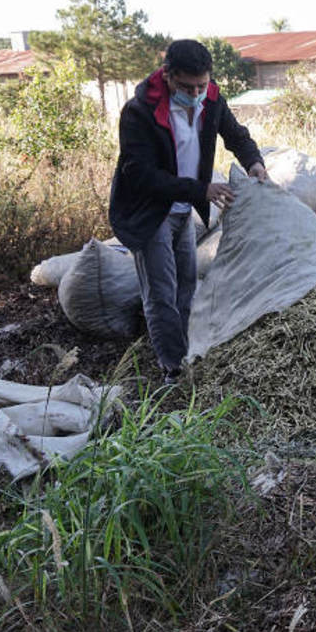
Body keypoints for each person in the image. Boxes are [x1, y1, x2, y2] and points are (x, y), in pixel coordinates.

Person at [110, 39, 268, 385]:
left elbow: (236, 135)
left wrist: (254, 162)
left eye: (202, 85)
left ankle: (188, 352)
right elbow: (140, 174)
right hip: (150, 211)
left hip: (183, 208)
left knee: (186, 286)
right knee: (161, 293)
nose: (196, 93)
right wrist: (201, 190)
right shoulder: (140, 112)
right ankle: (173, 370)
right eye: (187, 87)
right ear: (168, 76)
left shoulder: (210, 98)